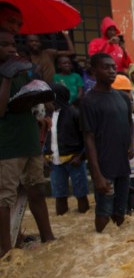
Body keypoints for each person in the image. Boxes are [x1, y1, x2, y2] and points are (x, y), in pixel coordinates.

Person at [0, 25, 56, 257]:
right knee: (5, 197)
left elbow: (31, 103)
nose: (11, 49)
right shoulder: (8, 72)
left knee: (37, 190)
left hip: (30, 139)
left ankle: (49, 238)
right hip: (7, 145)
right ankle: (6, 250)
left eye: (13, 44)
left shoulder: (22, 70)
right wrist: (6, 77)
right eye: (4, 44)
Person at [80, 53, 134, 232]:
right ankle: (99, 244)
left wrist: (131, 145)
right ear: (94, 71)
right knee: (103, 213)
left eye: (113, 67)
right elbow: (88, 138)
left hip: (123, 165)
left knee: (120, 212)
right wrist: (96, 175)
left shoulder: (123, 98)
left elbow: (130, 122)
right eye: (106, 67)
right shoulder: (89, 100)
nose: (112, 71)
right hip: (104, 167)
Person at [43, 85, 89, 215]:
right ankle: (62, 218)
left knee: (81, 194)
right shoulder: (47, 116)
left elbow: (86, 138)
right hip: (54, 161)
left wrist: (80, 156)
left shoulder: (74, 113)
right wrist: (44, 156)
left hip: (74, 159)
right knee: (59, 195)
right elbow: (44, 138)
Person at [112, 74, 134, 214]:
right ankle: (124, 211)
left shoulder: (127, 109)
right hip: (123, 158)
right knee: (123, 188)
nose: (129, 96)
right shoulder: (116, 110)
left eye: (128, 91)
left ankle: (132, 210)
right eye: (124, 91)